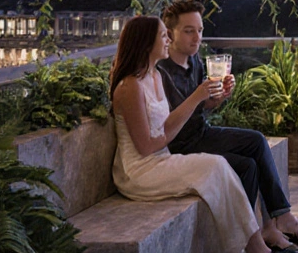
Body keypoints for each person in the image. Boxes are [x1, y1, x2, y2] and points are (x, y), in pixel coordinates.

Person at [157, 0, 298, 250]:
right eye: (189, 30)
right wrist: (200, 96)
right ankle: (250, 237)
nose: (197, 38)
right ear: (170, 34)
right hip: (181, 145)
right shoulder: (161, 71)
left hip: (202, 133)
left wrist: (219, 97)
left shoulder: (195, 61)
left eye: (200, 30)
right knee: (246, 166)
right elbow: (173, 121)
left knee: (255, 139)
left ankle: (278, 220)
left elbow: (203, 106)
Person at [109, 15, 271, 253]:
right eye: (163, 35)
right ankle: (254, 247)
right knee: (216, 166)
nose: (169, 39)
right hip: (139, 172)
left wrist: (205, 99)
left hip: (160, 160)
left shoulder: (155, 75)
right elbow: (145, 146)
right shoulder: (130, 86)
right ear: (145, 43)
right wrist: (195, 97)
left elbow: (165, 125)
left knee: (220, 166)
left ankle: (251, 246)